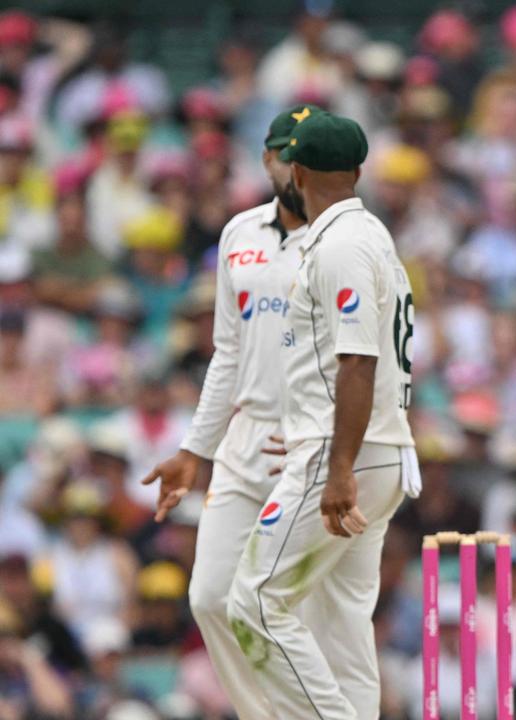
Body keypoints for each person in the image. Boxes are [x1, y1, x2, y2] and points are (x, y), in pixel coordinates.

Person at [224, 108, 420, 720]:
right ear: (358, 170)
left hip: (348, 458)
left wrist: (336, 466)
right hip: (376, 450)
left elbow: (357, 364)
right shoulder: (371, 236)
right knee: (340, 624)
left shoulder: (340, 245)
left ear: (298, 171)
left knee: (252, 602)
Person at [141, 104, 316, 718]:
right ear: (268, 160)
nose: (294, 167)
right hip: (245, 442)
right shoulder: (239, 234)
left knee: (283, 604)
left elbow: (373, 363)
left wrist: (334, 441)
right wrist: (194, 450)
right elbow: (227, 352)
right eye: (283, 154)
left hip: (312, 448)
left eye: (306, 155)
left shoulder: (352, 240)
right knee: (211, 597)